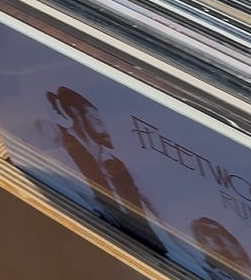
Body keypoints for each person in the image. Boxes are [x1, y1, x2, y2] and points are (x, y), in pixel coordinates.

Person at [46, 88, 168, 257]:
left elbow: (160, 219)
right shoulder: (59, 156)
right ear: (74, 112)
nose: (104, 122)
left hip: (141, 250)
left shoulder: (118, 165)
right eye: (95, 114)